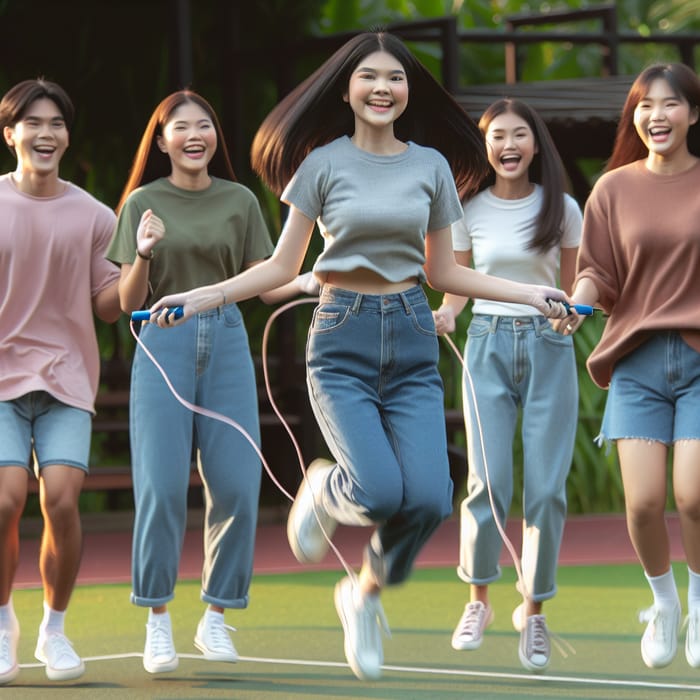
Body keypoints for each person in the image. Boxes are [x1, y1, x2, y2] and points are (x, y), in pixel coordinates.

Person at [146, 31, 570, 682]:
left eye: (395, 78)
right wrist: (203, 296)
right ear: (346, 88)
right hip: (341, 336)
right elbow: (282, 266)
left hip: (409, 336)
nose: (382, 88)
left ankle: (363, 593)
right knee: (375, 490)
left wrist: (534, 294)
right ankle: (325, 490)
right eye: (369, 76)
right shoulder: (321, 164)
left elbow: (447, 274)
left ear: (407, 92)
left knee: (428, 496)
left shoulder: (430, 167)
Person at [105, 89, 310, 675]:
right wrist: (142, 254)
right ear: (162, 138)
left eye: (205, 125)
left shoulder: (240, 200)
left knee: (239, 486)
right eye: (181, 126)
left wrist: (308, 282)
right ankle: (158, 621)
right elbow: (126, 303)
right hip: (162, 341)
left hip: (225, 341)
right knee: (163, 489)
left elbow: (268, 282)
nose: (195, 135)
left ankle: (217, 616)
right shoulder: (143, 201)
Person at [433, 98, 582, 672]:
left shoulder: (563, 209)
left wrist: (573, 314)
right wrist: (448, 312)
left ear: (536, 145)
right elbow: (458, 284)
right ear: (486, 146)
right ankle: (479, 601)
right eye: (498, 136)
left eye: (519, 135)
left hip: (549, 348)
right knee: (487, 480)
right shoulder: (467, 208)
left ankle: (535, 611)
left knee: (545, 488)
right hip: (486, 344)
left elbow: (573, 290)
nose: (509, 145)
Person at [566, 62, 700, 670]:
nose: (657, 116)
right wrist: (579, 304)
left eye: (670, 105)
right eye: (646, 106)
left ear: (693, 114)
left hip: (699, 358)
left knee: (693, 497)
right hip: (637, 362)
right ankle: (664, 603)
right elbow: (596, 271)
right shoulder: (612, 189)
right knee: (644, 503)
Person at [0, 79, 121, 684]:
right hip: (0, 383)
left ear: (66, 136)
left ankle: (54, 630)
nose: (45, 134)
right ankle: (3, 625)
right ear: (10, 134)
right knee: (4, 501)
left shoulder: (96, 216)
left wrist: (142, 257)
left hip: (67, 380)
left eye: (56, 124)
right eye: (33, 123)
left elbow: (109, 306)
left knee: (61, 500)